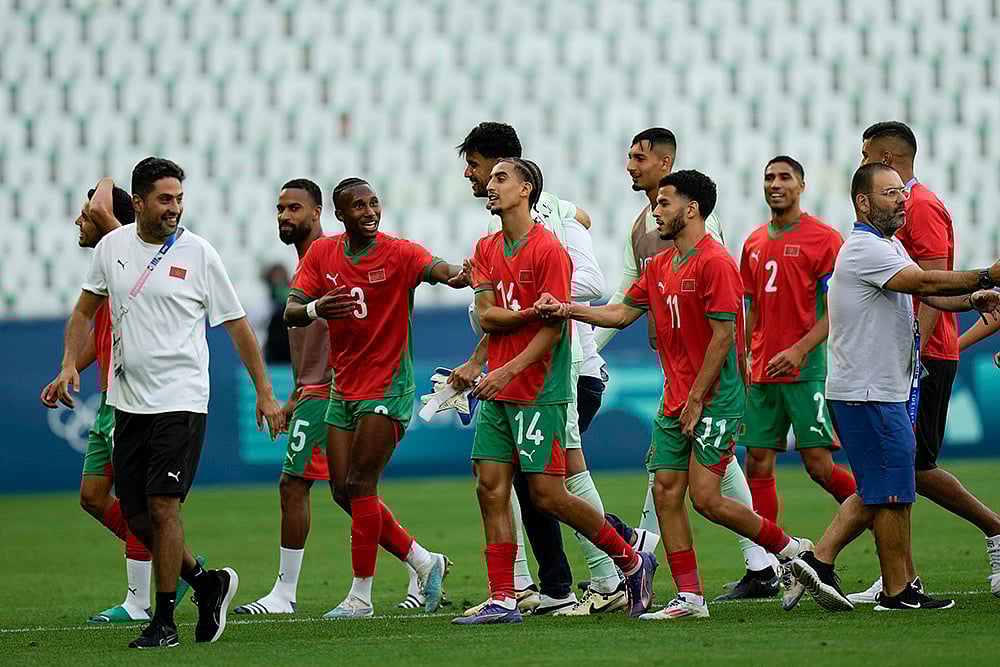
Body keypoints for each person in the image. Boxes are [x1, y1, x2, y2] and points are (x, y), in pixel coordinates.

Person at [538, 170, 813, 621]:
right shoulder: (660, 265)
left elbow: (724, 337)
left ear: (691, 209)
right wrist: (568, 308)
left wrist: (699, 398)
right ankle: (690, 598)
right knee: (666, 493)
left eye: (663, 204)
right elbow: (621, 312)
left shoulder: (716, 262)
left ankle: (789, 549)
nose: (655, 212)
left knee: (706, 498)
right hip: (675, 397)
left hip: (716, 399)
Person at [45, 157, 284, 648]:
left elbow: (238, 326)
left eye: (179, 198)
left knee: (164, 506)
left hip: (182, 400)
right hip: (128, 402)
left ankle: (164, 621)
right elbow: (83, 313)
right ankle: (206, 581)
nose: (175, 208)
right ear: (138, 203)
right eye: (165, 199)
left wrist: (264, 390)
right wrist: (70, 362)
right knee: (136, 517)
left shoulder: (199, 253)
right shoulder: (111, 248)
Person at [454, 158, 656, 625]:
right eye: (493, 179)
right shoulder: (486, 247)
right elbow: (487, 316)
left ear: (527, 190)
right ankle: (503, 597)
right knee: (490, 486)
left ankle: (629, 559)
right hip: (499, 387)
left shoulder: (549, 249)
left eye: (502, 178)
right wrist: (526, 319)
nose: (492, 186)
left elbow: (555, 331)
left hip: (540, 389)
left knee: (548, 496)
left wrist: (509, 363)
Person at [791, 163, 1000, 611]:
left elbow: (925, 293)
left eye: (902, 193)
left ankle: (887, 583)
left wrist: (972, 299)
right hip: (868, 390)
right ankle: (835, 565)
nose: (902, 200)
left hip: (876, 388)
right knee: (885, 489)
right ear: (863, 202)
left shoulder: (885, 246)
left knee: (890, 488)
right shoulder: (866, 248)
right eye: (890, 194)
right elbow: (923, 281)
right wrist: (986, 275)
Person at [594, 128, 780, 602]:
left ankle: (779, 554)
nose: (630, 165)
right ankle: (700, 588)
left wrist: (708, 390)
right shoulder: (648, 232)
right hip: (677, 380)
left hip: (708, 387)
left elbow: (723, 326)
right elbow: (624, 301)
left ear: (665, 163)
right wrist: (579, 328)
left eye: (639, 157)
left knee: (703, 492)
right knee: (672, 487)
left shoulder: (705, 243)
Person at [284, 178, 468, 618]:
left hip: (388, 387)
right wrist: (315, 309)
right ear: (339, 215)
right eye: (358, 206)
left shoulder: (398, 252)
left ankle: (360, 597)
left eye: (374, 204)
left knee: (362, 485)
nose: (369, 212)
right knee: (342, 492)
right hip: (343, 386)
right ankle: (424, 561)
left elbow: (438, 268)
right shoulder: (322, 255)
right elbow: (291, 311)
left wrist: (460, 276)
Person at [847, 121, 1000, 601]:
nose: (861, 161)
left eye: (866, 153)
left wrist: (916, 360)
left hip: (920, 355)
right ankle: (901, 577)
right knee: (901, 467)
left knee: (908, 466)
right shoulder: (894, 218)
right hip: (910, 353)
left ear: (886, 160)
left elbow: (930, 287)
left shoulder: (923, 207)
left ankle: (994, 530)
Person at [738, 156, 856, 609]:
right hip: (762, 373)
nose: (775, 184)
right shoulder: (752, 242)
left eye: (784, 177)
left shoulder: (824, 239)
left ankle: (872, 508)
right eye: (768, 177)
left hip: (806, 371)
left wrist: (801, 349)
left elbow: (837, 310)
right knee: (758, 465)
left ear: (802, 185)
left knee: (819, 467)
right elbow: (748, 309)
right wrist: (748, 357)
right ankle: (776, 564)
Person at [40, 179, 159, 624]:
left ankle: (138, 601)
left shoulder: (125, 249)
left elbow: (109, 190)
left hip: (131, 397)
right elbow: (101, 334)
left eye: (85, 211)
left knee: (135, 501)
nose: (78, 219)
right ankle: (182, 567)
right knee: (93, 497)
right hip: (110, 394)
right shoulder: (109, 265)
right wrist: (70, 368)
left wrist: (102, 187)